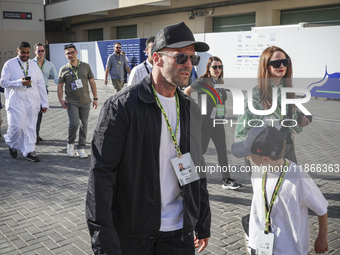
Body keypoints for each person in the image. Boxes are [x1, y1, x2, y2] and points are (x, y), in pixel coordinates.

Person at [86, 22, 211, 255]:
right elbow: (101, 175)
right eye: (181, 57)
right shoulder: (121, 106)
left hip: (179, 231)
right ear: (157, 58)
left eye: (193, 59)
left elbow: (196, 167)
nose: (188, 65)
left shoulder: (190, 109)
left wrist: (202, 219)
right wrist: (102, 237)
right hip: (133, 231)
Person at [231, 126, 328, 255]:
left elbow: (322, 208)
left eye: (249, 157)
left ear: (265, 158)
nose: (247, 159)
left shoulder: (298, 178)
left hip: (289, 249)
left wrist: (322, 237)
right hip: (258, 243)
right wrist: (251, 242)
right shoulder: (258, 170)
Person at [234, 46, 310, 171]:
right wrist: (251, 157)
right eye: (275, 63)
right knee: (267, 190)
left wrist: (300, 123)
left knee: (288, 188)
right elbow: (241, 129)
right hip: (263, 153)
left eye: (285, 62)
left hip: (286, 150)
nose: (281, 66)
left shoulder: (289, 91)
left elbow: (291, 122)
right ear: (266, 66)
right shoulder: (255, 93)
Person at [184, 56, 242, 190]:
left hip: (218, 122)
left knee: (222, 150)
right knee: (201, 150)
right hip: (205, 122)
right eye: (214, 67)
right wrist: (193, 108)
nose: (217, 69)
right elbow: (187, 91)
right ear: (209, 68)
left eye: (220, 67)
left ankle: (226, 180)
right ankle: (187, 175)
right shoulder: (203, 81)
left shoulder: (220, 82)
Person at [0, 41, 49, 162]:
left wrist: (45, 103)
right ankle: (12, 143)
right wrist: (19, 83)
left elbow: (41, 85)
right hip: (15, 102)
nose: (25, 55)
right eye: (23, 52)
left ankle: (29, 151)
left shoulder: (34, 65)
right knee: (17, 127)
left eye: (27, 53)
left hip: (32, 101)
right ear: (18, 51)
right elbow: (3, 83)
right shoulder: (9, 64)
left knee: (31, 127)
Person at [58, 44, 98, 158]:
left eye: (72, 52)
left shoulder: (85, 66)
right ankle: (70, 144)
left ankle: (81, 147)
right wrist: (61, 99)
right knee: (74, 123)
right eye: (68, 53)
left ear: (76, 52)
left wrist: (95, 98)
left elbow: (92, 82)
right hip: (71, 101)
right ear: (65, 55)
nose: (70, 55)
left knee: (83, 125)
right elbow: (60, 86)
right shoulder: (63, 69)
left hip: (85, 101)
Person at [33, 42, 58, 144]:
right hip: (32, 91)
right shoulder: (30, 63)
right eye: (39, 51)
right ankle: (32, 135)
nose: (41, 53)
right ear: (35, 51)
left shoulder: (49, 64)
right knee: (31, 113)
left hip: (44, 91)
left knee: (39, 114)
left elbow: (57, 79)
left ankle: (36, 135)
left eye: (42, 51)